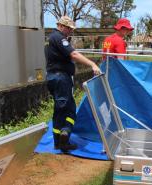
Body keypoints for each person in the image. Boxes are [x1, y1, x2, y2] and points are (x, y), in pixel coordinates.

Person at [45, 16, 101, 152]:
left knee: (59, 109)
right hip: (60, 79)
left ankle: (58, 141)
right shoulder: (58, 38)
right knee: (68, 110)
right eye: (69, 28)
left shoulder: (52, 38)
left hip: (54, 77)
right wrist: (92, 64)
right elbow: (74, 54)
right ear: (61, 26)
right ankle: (65, 133)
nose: (70, 31)